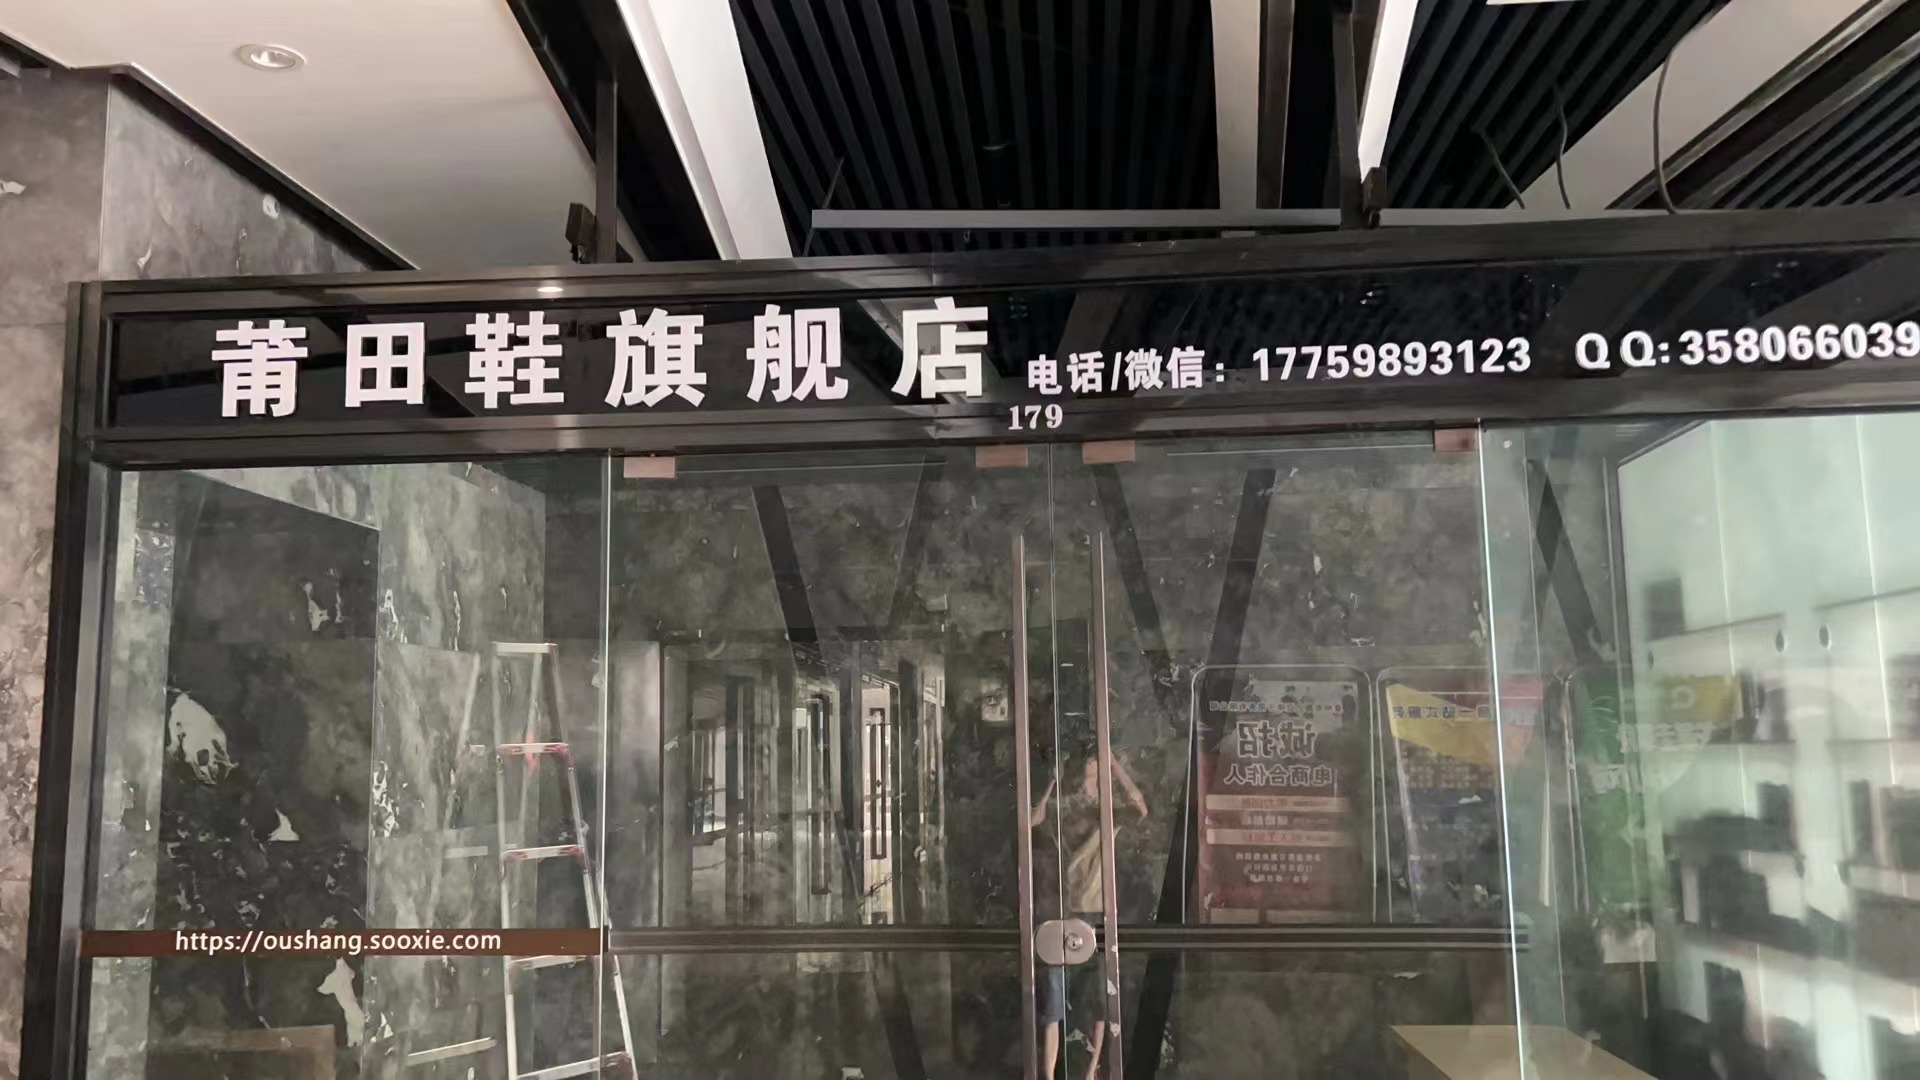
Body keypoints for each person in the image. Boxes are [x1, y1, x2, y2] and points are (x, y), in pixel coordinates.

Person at [1032, 750, 1149, 1080]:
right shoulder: (1067, 805)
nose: (1090, 762)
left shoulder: (1108, 808)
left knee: (1098, 994)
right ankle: (1049, 1073)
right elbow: (1032, 821)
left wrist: (1115, 765)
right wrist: (1051, 783)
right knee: (1055, 995)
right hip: (1063, 903)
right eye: (1088, 757)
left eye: (1095, 758)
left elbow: (1140, 808)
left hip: (1094, 904)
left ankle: (1090, 1069)